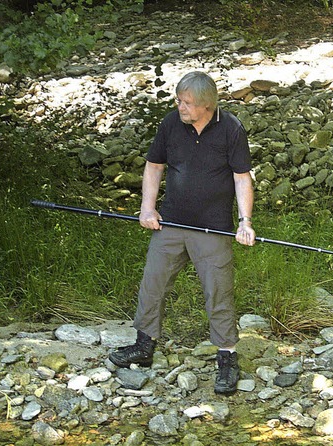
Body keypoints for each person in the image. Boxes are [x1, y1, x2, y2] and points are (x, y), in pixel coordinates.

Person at [109, 71, 255, 395]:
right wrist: (148, 208)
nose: (180, 106)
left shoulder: (230, 128)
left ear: (205, 105)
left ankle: (227, 359)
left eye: (186, 102)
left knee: (218, 293)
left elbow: (242, 178)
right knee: (153, 280)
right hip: (171, 222)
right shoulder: (171, 124)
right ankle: (144, 346)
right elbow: (154, 166)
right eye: (178, 99)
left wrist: (245, 221)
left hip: (213, 228)